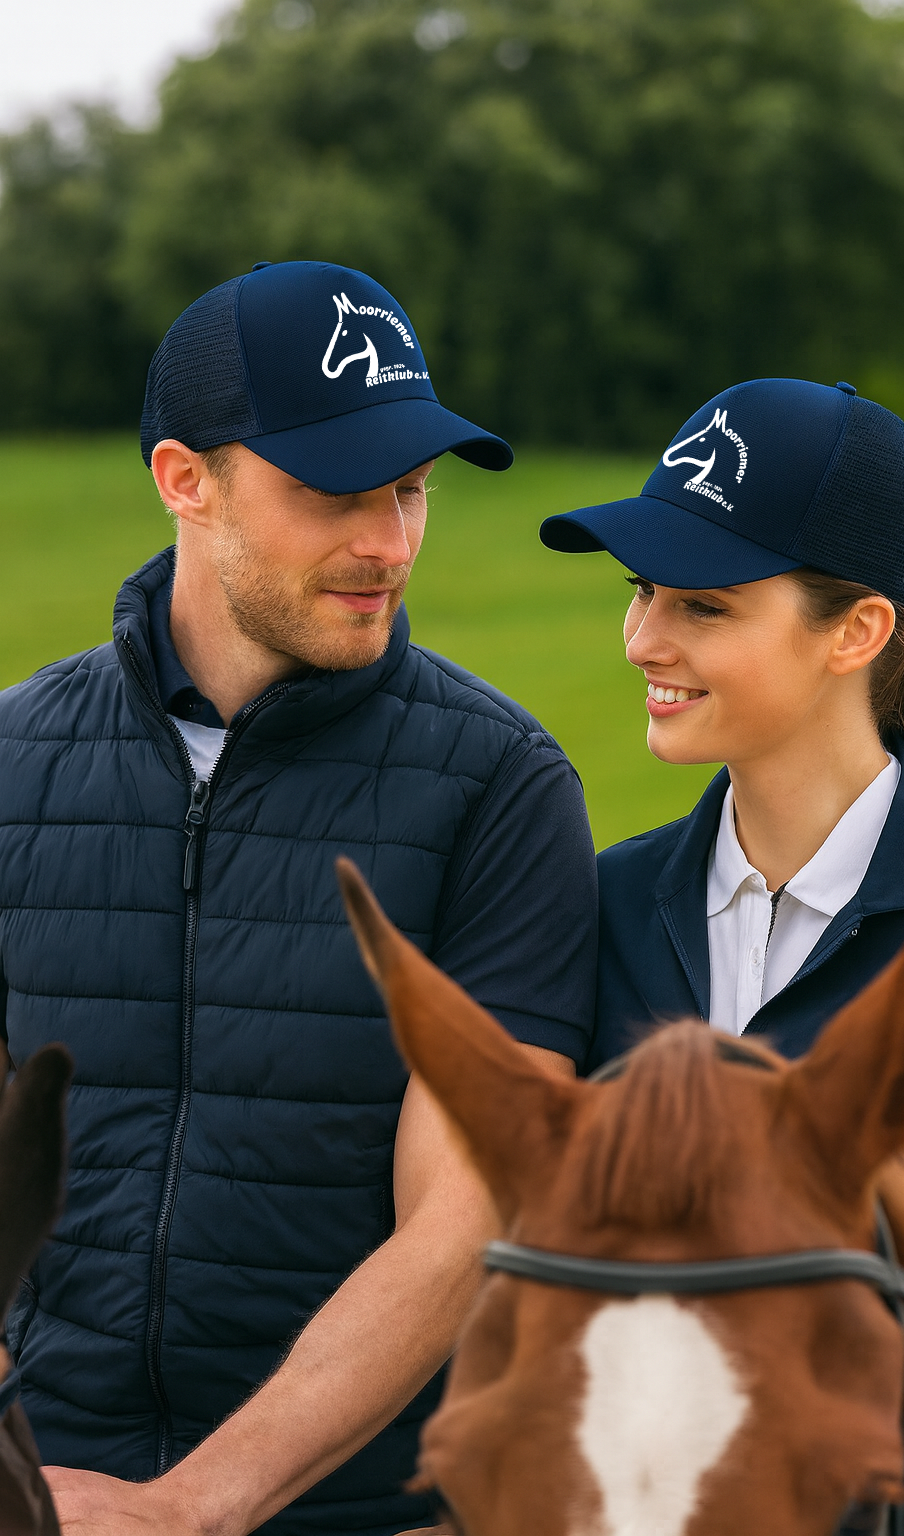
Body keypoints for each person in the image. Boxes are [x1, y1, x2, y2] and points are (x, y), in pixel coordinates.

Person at [0, 259, 597, 1535]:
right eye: (334, 493)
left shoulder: (496, 787)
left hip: (368, 1513)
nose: (387, 544)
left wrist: (187, 1509)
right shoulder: (12, 762)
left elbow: (468, 1215)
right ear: (183, 478)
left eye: (411, 491)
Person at [540, 376, 904, 1368]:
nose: (642, 641)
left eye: (703, 607)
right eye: (640, 589)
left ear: (856, 632)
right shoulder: (608, 905)